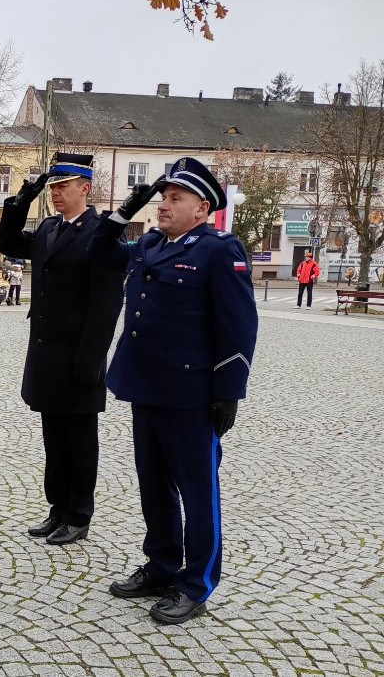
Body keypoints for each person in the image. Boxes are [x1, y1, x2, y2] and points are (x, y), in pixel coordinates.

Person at [88, 156, 258, 624]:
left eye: (174, 197)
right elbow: (99, 248)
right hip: (147, 387)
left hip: (192, 395)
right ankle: (162, 566)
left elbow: (240, 326)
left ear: (201, 208)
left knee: (198, 494)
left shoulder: (220, 251)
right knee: (154, 488)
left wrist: (229, 392)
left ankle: (196, 583)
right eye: (163, 196)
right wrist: (129, 206)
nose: (164, 204)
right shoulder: (148, 244)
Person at [0, 152, 125, 547]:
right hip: (47, 352)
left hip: (79, 354)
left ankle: (79, 514)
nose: (54, 193)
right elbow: (7, 242)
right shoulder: (50, 228)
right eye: (51, 187)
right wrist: (18, 204)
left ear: (84, 188)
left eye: (62, 186)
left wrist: (92, 358)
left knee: (81, 441)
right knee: (54, 437)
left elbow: (107, 302)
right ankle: (57, 510)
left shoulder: (100, 232)